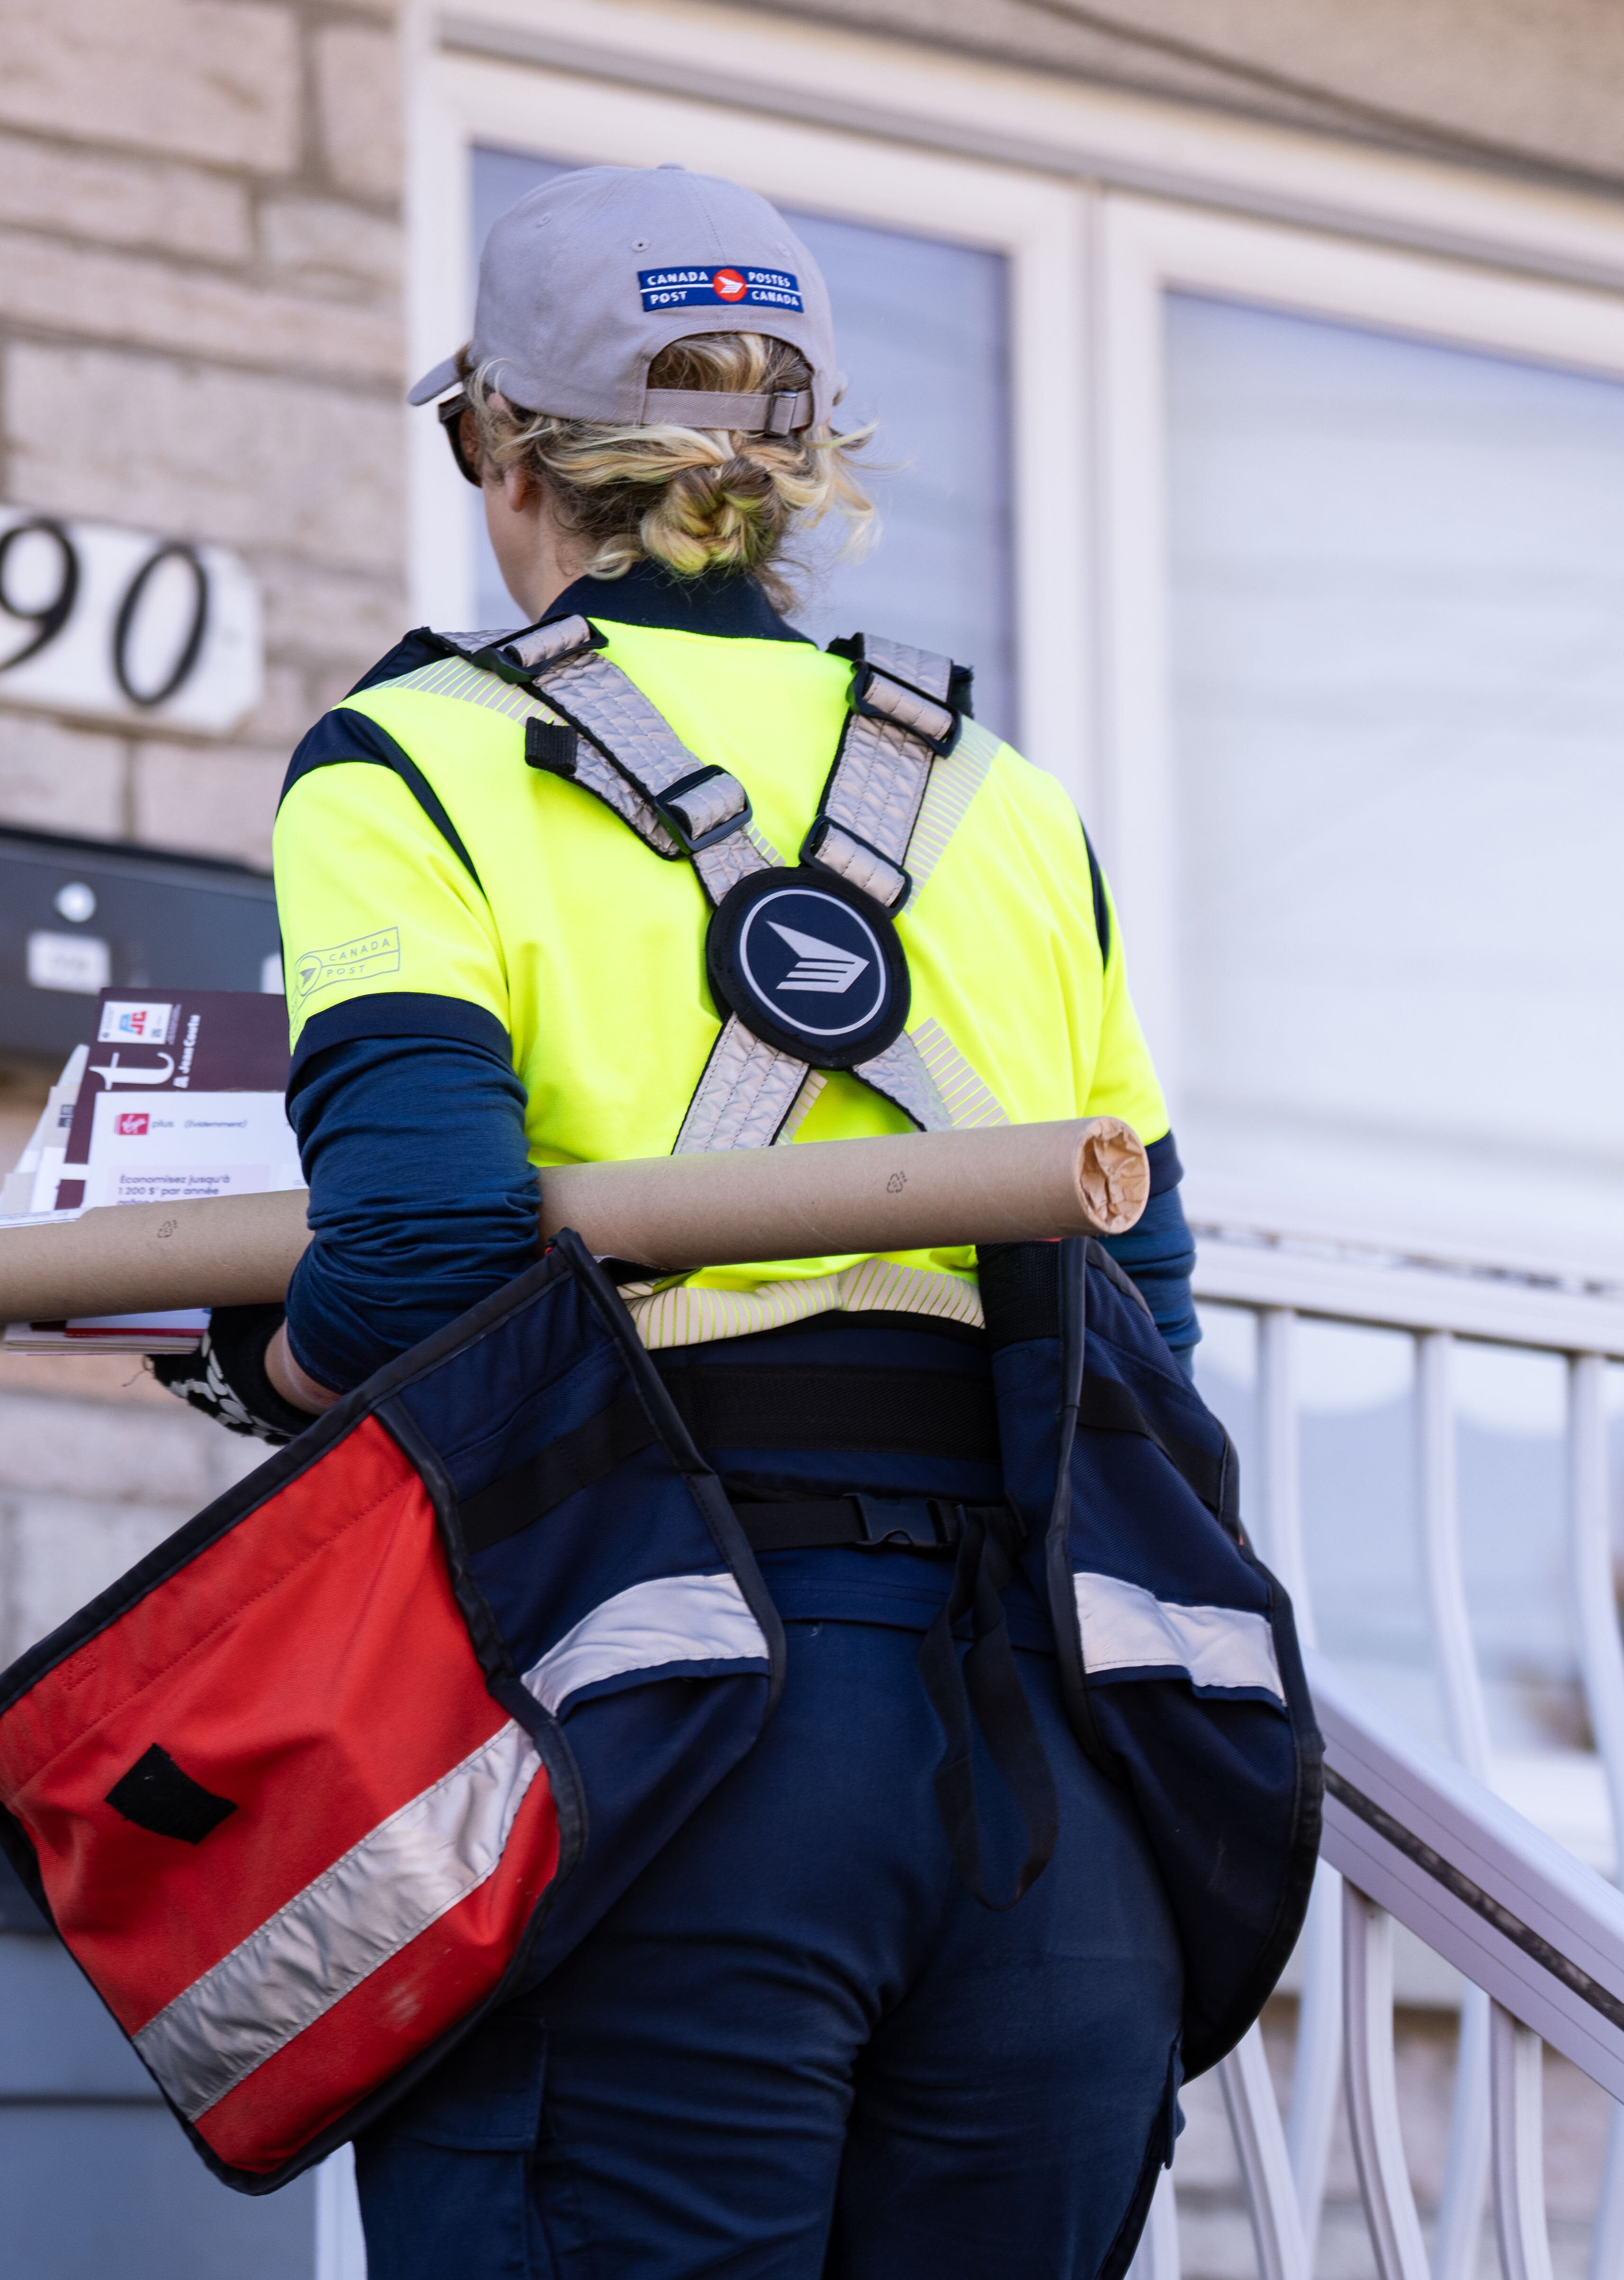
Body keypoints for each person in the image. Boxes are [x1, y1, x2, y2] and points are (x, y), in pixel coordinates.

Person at [154, 166, 1206, 2278]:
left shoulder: (420, 762)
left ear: (494, 448)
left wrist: (241, 1360)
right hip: (1047, 1766)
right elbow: (1142, 1309)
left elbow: (426, 1262)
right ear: (805, 471)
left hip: (665, 1708)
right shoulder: (1003, 803)